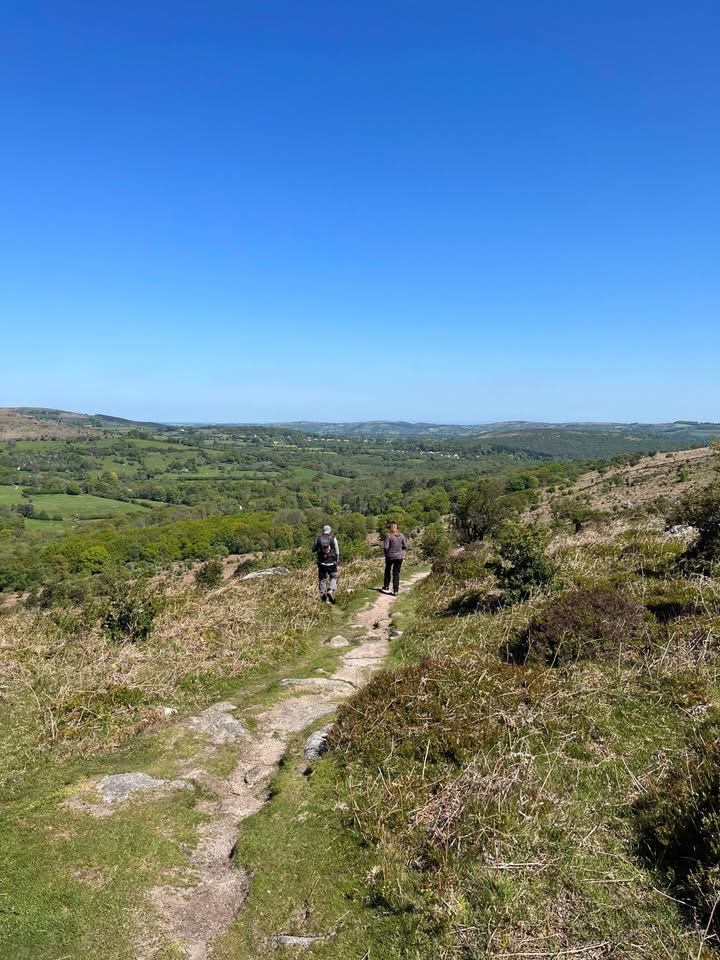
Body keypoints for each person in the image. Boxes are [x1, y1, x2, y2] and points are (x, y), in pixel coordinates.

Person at [312, 524, 340, 603]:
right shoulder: (333, 539)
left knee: (322, 579)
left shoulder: (318, 539)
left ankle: (322, 594)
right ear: (330, 530)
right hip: (332, 562)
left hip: (321, 563)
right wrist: (337, 560)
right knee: (334, 577)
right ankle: (331, 590)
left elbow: (313, 549)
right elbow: (337, 552)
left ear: (323, 531)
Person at [383, 521, 407, 595]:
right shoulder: (401, 536)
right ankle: (395, 590)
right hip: (399, 557)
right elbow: (405, 546)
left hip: (390, 556)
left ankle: (386, 586)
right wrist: (399, 550)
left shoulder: (388, 536)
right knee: (396, 573)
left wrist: (386, 554)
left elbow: (386, 547)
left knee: (387, 570)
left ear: (390, 529)